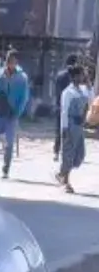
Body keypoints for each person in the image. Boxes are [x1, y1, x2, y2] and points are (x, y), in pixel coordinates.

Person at [0, 49, 31, 178]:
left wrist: (18, 112)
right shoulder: (0, 73)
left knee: (9, 143)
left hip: (12, 113)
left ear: (17, 62)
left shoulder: (22, 77)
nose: (11, 64)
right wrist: (0, 80)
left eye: (13, 62)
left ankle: (6, 168)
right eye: (9, 61)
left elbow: (24, 98)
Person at [58, 64, 91, 193]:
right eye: (81, 74)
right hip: (71, 123)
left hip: (80, 125)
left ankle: (62, 173)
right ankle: (66, 181)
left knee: (80, 154)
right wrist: (64, 128)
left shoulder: (83, 90)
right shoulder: (68, 92)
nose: (83, 77)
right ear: (74, 77)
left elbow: (91, 100)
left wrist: (89, 85)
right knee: (69, 153)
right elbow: (64, 111)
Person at [55, 54, 80, 166]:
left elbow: (57, 92)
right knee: (70, 130)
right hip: (70, 108)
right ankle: (67, 153)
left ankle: (56, 151)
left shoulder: (60, 75)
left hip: (59, 105)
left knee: (59, 129)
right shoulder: (73, 77)